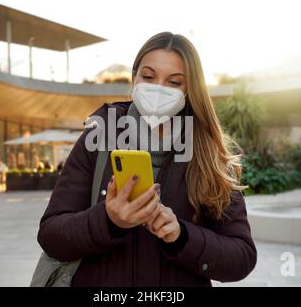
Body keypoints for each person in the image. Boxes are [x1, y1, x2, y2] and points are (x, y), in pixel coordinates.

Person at [37, 32, 257, 286]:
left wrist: (182, 236)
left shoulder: (209, 153)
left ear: (190, 89)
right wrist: (108, 221)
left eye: (174, 82)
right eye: (149, 77)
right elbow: (51, 235)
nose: (158, 89)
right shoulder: (98, 136)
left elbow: (241, 257)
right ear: (134, 79)